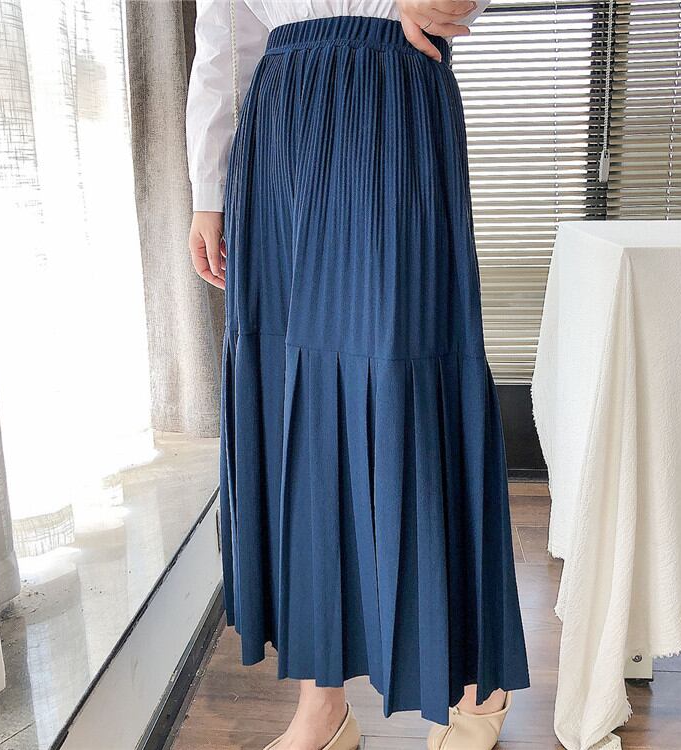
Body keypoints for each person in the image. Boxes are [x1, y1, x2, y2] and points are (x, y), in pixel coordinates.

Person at [185, 2, 530, 749]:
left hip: (389, 94)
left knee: (408, 377)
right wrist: (209, 186)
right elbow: (224, 36)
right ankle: (322, 704)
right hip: (277, 124)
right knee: (295, 402)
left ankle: (476, 678)